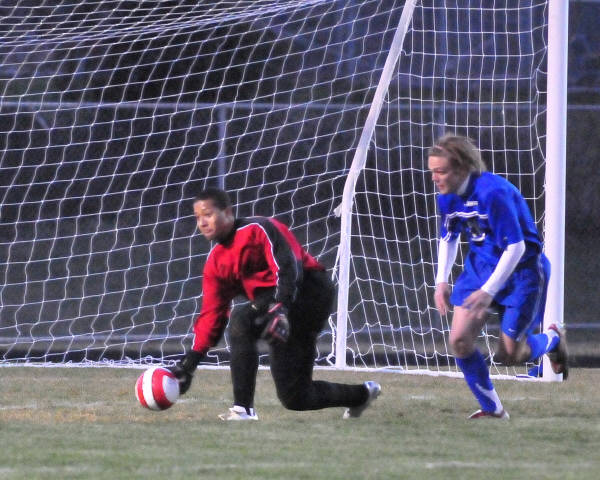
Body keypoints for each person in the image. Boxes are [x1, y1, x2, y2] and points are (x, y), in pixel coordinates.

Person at [169, 187, 380, 420]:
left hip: (310, 290)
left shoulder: (258, 229)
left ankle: (242, 410)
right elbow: (212, 316)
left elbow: (289, 267)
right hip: (278, 305)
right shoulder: (215, 263)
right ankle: (362, 394)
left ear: (228, 212)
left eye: (208, 214)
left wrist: (280, 308)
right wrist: (189, 364)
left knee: (241, 321)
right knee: (296, 397)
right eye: (197, 217)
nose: (202, 223)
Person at [428, 134, 568, 419]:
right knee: (459, 341)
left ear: (462, 168)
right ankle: (493, 410)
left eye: (440, 171)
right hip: (481, 268)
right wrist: (441, 281)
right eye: (432, 171)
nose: (434, 178)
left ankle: (553, 339)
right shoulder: (447, 197)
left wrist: (489, 290)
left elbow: (516, 247)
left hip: (522, 272)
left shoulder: (493, 193)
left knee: (510, 355)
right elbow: (449, 237)